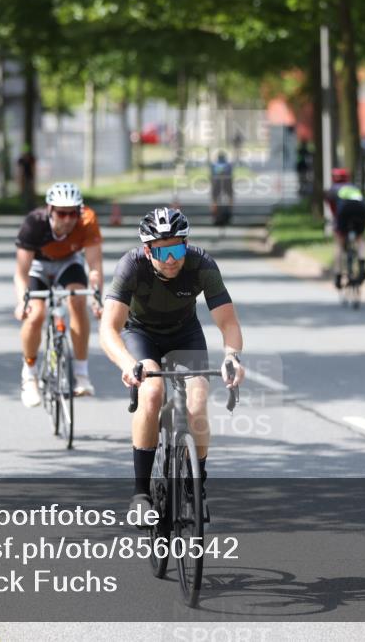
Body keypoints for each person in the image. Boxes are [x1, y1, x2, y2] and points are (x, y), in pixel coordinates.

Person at [99, 208, 245, 518]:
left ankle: (196, 485)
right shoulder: (131, 267)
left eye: (177, 248)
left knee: (198, 399)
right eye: (162, 251)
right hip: (141, 335)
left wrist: (232, 357)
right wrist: (127, 363)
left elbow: (228, 322)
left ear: (186, 245)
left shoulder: (201, 264)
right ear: (147, 249)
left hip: (184, 335)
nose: (171, 259)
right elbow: (109, 328)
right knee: (151, 393)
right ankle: (140, 494)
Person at [14, 182, 103, 406]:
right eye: (61, 213)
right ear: (50, 210)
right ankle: (30, 375)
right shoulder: (34, 223)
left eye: (72, 213)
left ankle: (81, 374)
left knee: (77, 301)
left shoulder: (87, 221)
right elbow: (21, 272)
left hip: (68, 263)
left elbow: (94, 265)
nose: (67, 219)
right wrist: (22, 302)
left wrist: (97, 296)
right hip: (38, 266)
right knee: (36, 315)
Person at [325, 167, 365, 289]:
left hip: (344, 210)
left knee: (339, 243)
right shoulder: (354, 188)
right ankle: (362, 265)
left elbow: (334, 211)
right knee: (360, 238)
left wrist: (336, 226)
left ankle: (338, 276)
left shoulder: (332, 190)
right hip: (361, 208)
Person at [210, 150, 234, 226]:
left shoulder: (214, 164)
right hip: (227, 182)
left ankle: (214, 212)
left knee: (214, 198)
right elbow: (231, 174)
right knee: (230, 196)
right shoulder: (228, 164)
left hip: (216, 182)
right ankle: (230, 211)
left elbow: (211, 175)